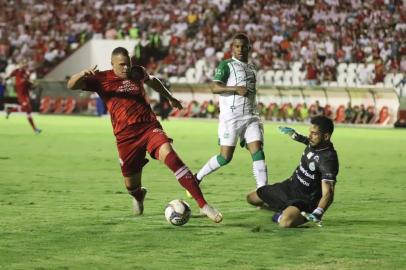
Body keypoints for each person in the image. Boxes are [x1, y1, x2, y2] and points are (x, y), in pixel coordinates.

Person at [67, 47, 222, 223]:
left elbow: (153, 81)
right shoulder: (101, 79)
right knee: (131, 185)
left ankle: (204, 206)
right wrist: (81, 74)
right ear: (112, 64)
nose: (126, 68)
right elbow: (71, 85)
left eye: (128, 64)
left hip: (149, 128)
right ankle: (138, 196)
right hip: (125, 138)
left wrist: (169, 97)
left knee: (172, 158)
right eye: (122, 65)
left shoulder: (137, 72)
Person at [193, 33, 268, 192]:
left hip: (251, 117)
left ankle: (263, 192)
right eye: (237, 46)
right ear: (232, 48)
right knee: (225, 157)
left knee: (258, 151)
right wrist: (235, 89)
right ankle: (197, 177)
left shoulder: (252, 68)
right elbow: (214, 87)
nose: (240, 49)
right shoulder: (226, 65)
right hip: (231, 119)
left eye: (243, 46)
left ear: (249, 48)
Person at [246, 116, 339, 228]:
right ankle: (285, 211)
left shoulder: (328, 159)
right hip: (289, 186)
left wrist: (318, 212)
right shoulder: (315, 142)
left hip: (304, 199)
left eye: (314, 133)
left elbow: (328, 192)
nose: (310, 136)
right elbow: (307, 140)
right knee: (251, 198)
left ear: (326, 136)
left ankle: (298, 216)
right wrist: (294, 135)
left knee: (285, 223)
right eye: (310, 132)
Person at [4, 59, 41, 134]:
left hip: (26, 94)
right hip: (21, 94)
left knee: (28, 110)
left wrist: (34, 85)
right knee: (26, 108)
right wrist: (7, 79)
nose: (24, 65)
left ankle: (10, 110)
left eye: (25, 63)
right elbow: (8, 77)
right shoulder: (16, 71)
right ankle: (35, 129)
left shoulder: (27, 73)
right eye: (22, 63)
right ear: (19, 64)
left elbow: (30, 86)